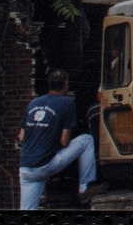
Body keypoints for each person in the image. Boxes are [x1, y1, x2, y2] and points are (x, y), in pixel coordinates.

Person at [18, 69, 107, 209]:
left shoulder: (33, 103)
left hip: (26, 169)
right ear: (66, 85)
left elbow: (21, 137)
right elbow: (64, 141)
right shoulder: (67, 103)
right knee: (86, 140)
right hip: (46, 164)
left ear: (49, 84)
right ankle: (85, 188)